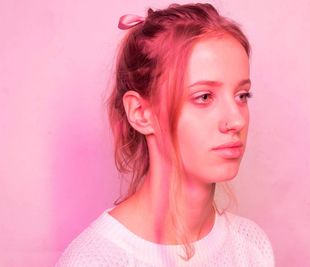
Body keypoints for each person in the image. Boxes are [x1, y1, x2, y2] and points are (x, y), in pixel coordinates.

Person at [56, 2, 274, 266]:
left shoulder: (250, 247)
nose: (236, 120)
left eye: (242, 95)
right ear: (141, 113)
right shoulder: (96, 260)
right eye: (204, 97)